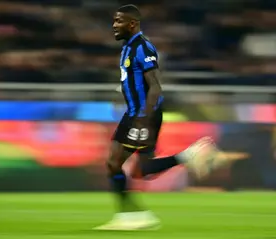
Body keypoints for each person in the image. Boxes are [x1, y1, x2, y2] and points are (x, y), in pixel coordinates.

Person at [94, 4, 221, 231]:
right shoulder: (128, 48)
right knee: (139, 170)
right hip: (134, 114)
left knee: (115, 164)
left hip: (142, 116)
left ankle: (129, 216)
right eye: (113, 21)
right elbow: (135, 79)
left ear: (132, 23)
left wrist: (143, 118)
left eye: (119, 21)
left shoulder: (143, 47)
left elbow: (155, 87)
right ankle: (186, 158)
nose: (114, 25)